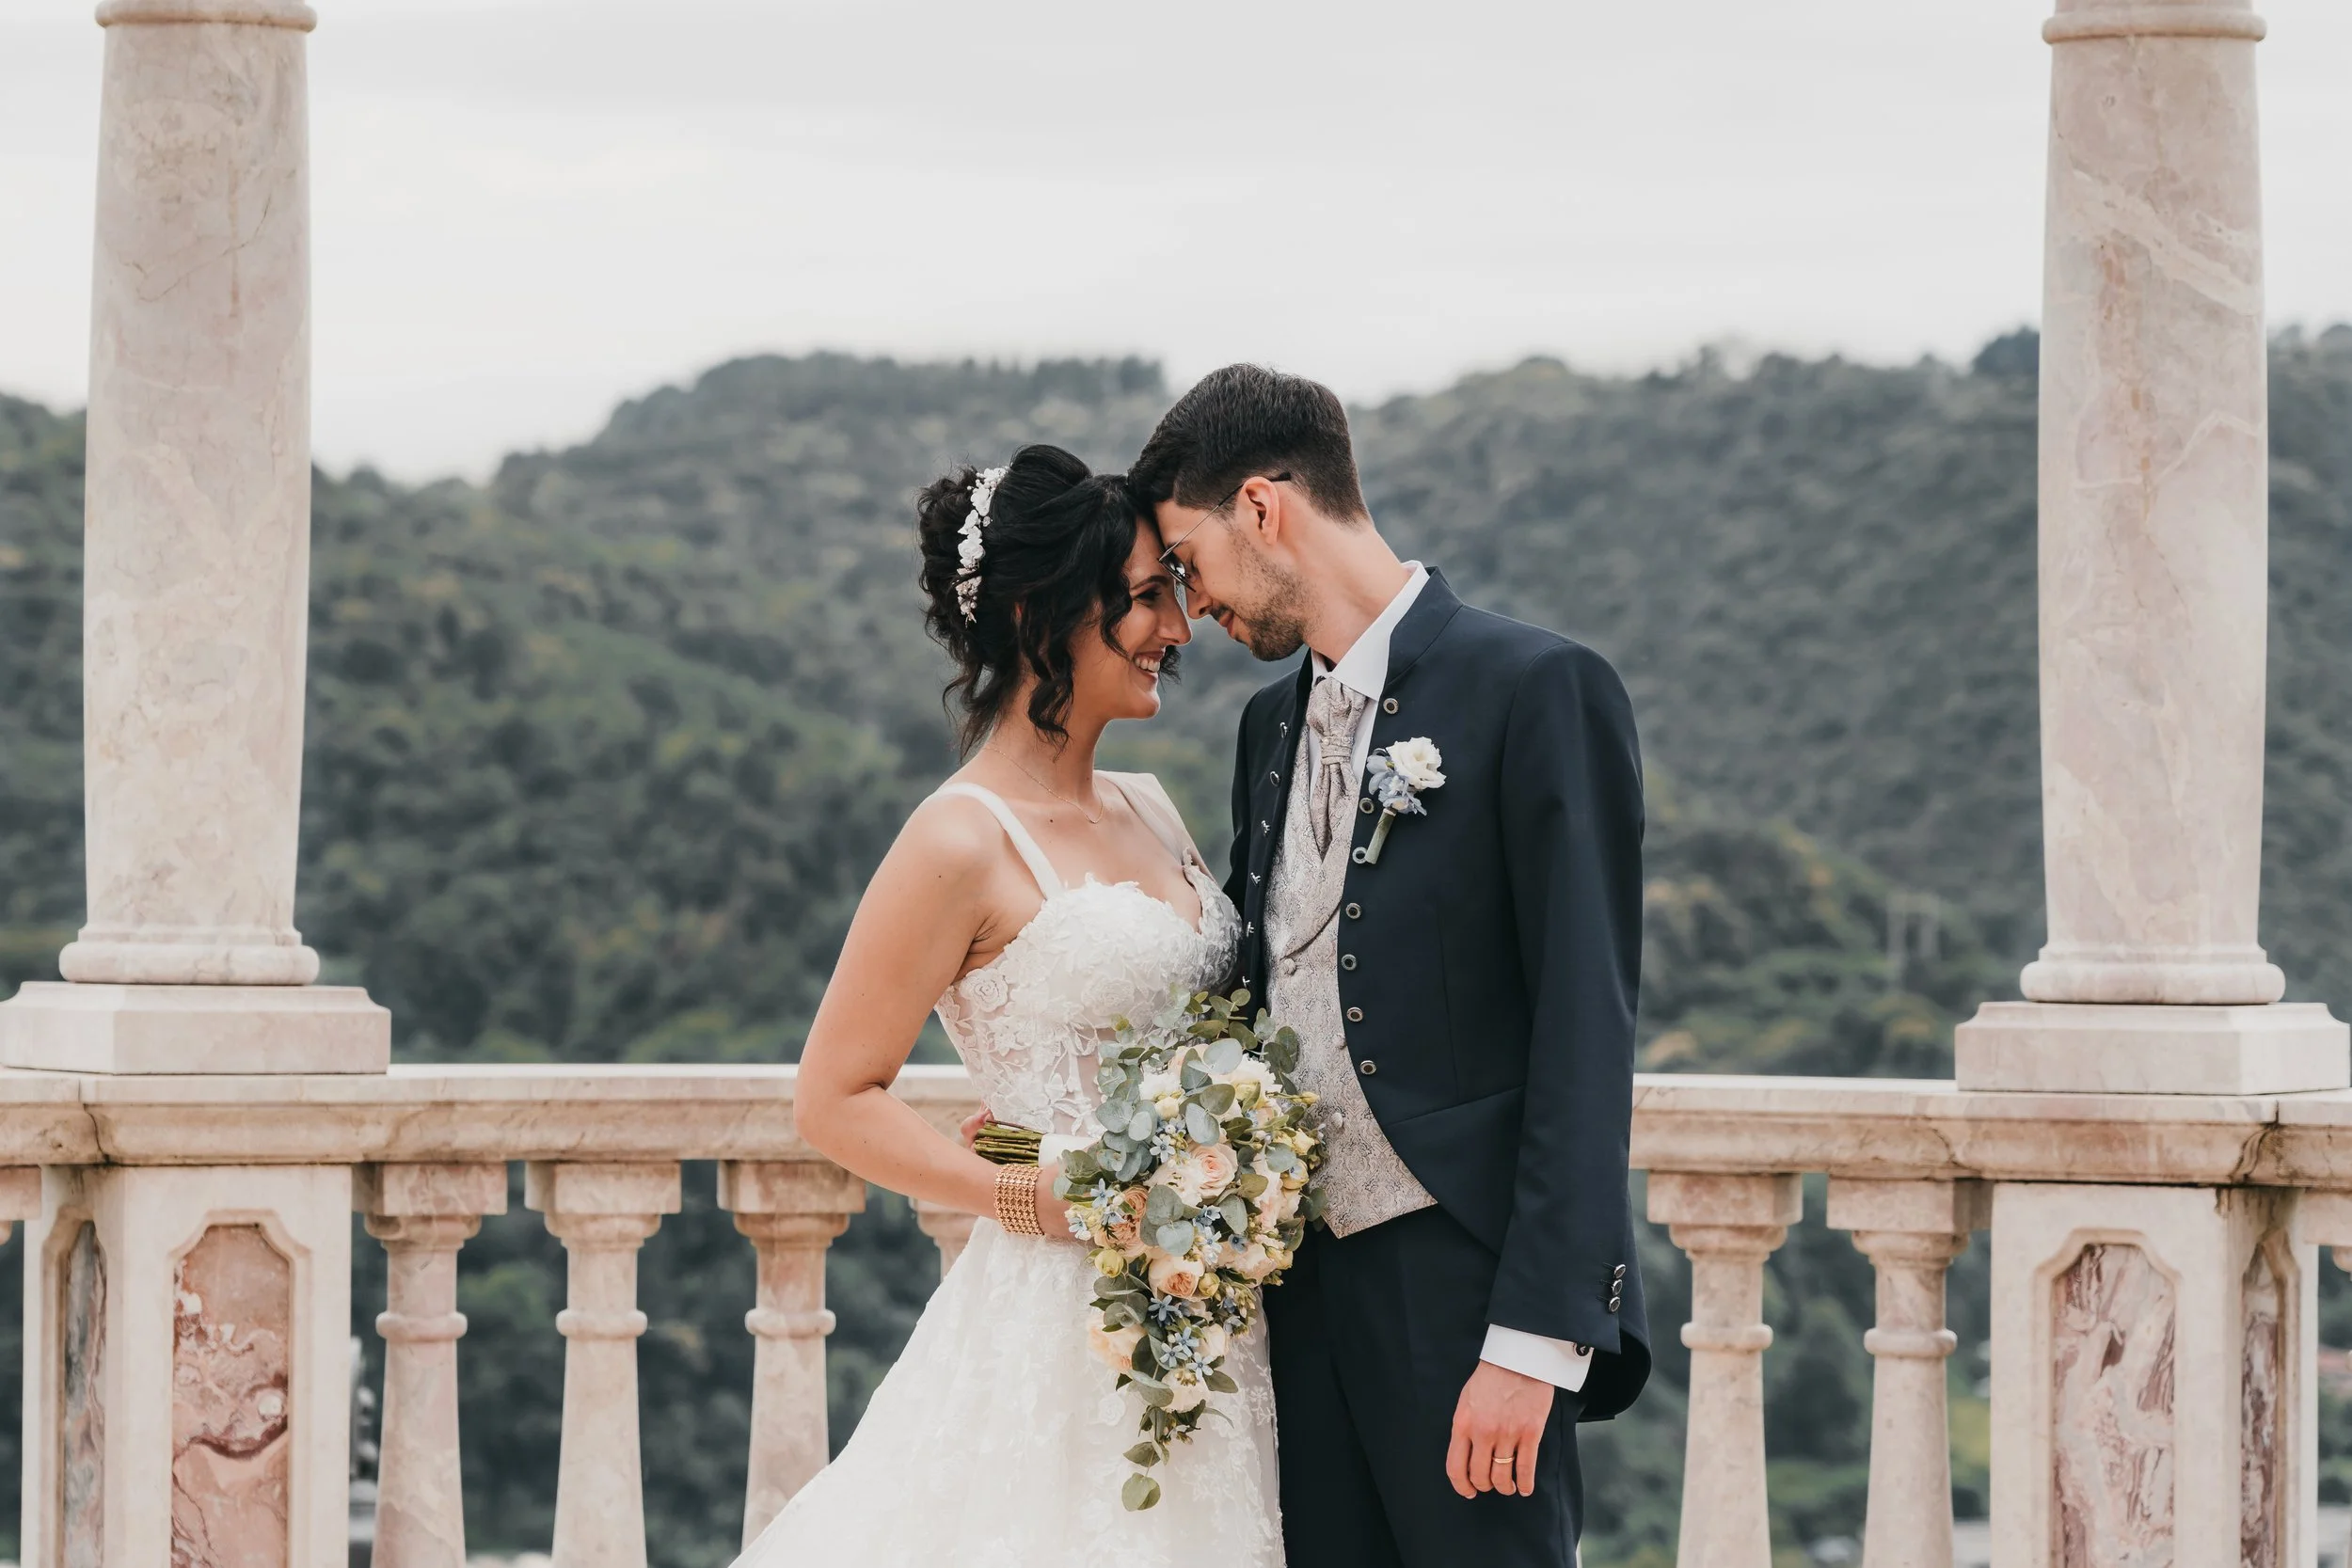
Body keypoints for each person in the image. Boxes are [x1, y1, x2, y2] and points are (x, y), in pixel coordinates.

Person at [1127, 364, 1652, 1568]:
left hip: (1467, 1300)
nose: (1187, 601)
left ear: (1263, 508)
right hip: (1297, 1306)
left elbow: (1588, 1031)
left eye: (1186, 558)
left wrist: (1535, 1339)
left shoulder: (1539, 689)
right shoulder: (1267, 730)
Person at [732, 444, 1283, 1565]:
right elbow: (833, 1097)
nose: (1176, 627)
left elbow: (1101, 1061)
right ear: (1041, 611)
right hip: (1061, 1323)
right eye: (1143, 597)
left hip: (1217, 1302)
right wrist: (1028, 1190)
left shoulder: (1153, 805)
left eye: (1174, 592)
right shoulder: (957, 837)